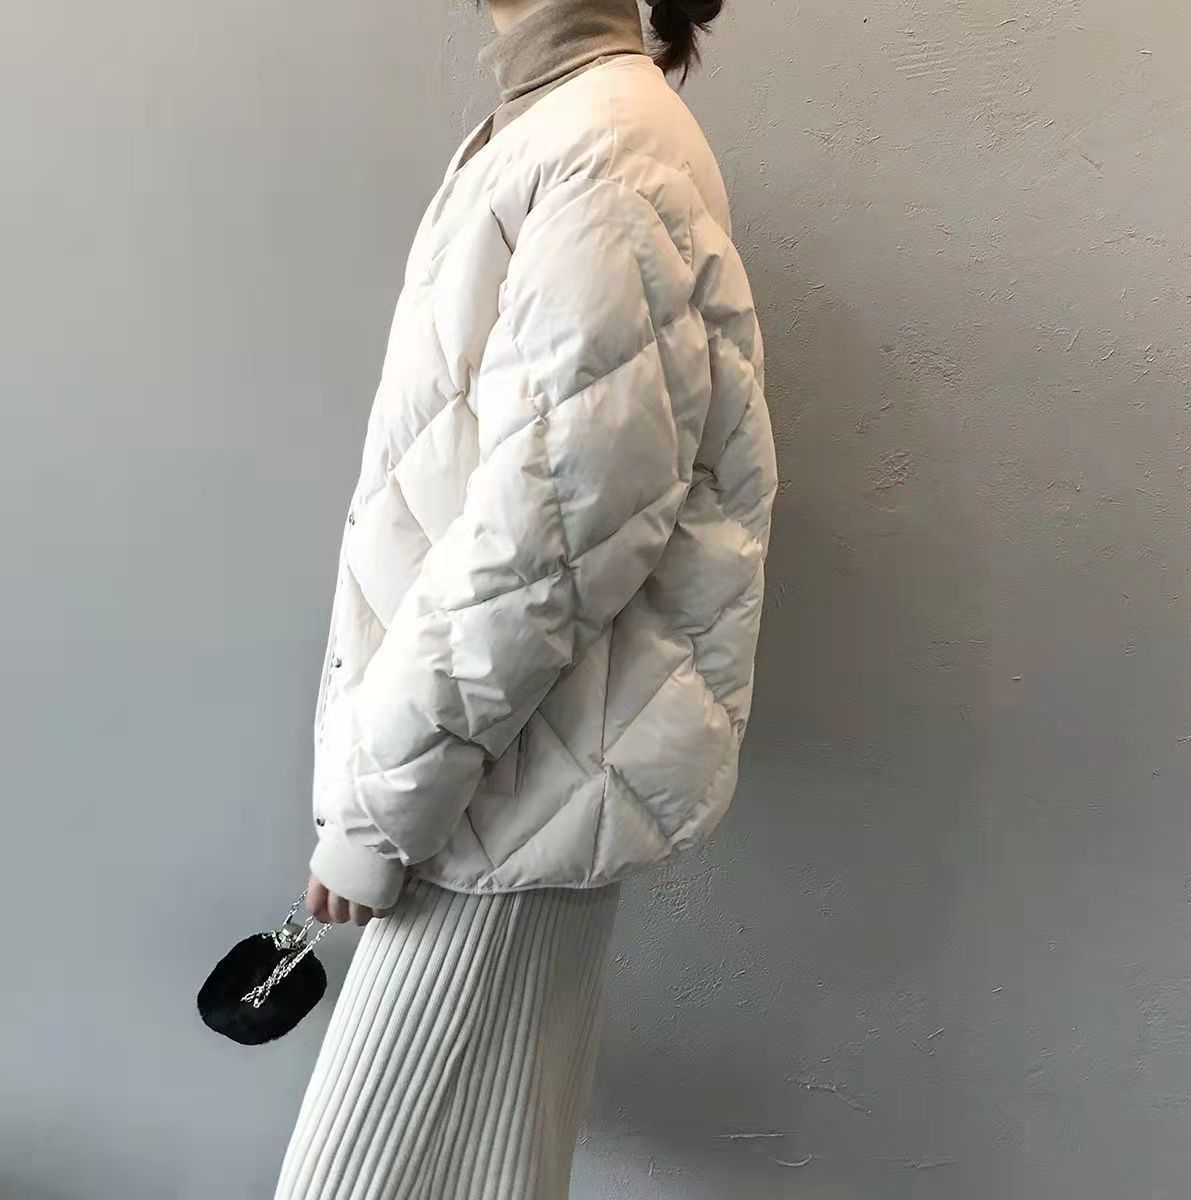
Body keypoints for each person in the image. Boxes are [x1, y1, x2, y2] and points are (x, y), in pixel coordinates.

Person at [274, 0, 776, 1196]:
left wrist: (380, 811)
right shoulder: (550, 127)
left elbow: (546, 543)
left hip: (490, 803)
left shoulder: (609, 146)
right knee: (499, 1170)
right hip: (501, 784)